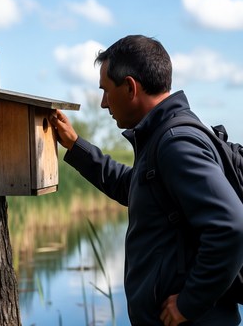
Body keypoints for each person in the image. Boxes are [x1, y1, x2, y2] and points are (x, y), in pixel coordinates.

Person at [50, 35, 243, 325]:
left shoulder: (175, 144)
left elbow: (230, 227)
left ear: (130, 87)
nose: (103, 103)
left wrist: (189, 303)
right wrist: (77, 147)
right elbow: (135, 189)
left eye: (105, 91)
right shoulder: (161, 136)